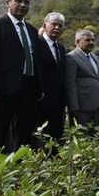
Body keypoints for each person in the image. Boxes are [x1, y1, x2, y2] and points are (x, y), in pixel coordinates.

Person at [0, 0, 42, 152]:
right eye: (18, 1)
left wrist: (38, 88)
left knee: (24, 132)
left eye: (26, 2)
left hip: (28, 89)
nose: (22, 5)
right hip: (4, 90)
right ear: (8, 3)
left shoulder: (32, 30)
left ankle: (20, 168)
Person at [35, 12, 67, 144]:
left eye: (60, 25)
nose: (57, 28)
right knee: (39, 138)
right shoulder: (36, 44)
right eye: (54, 24)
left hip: (58, 102)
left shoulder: (61, 48)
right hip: (40, 101)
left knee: (56, 137)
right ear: (45, 25)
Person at [66, 30, 99, 126]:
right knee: (82, 137)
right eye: (87, 40)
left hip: (97, 105)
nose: (91, 43)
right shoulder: (71, 57)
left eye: (93, 40)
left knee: (95, 137)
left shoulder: (95, 57)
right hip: (81, 107)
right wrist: (73, 107)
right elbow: (70, 84)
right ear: (77, 42)